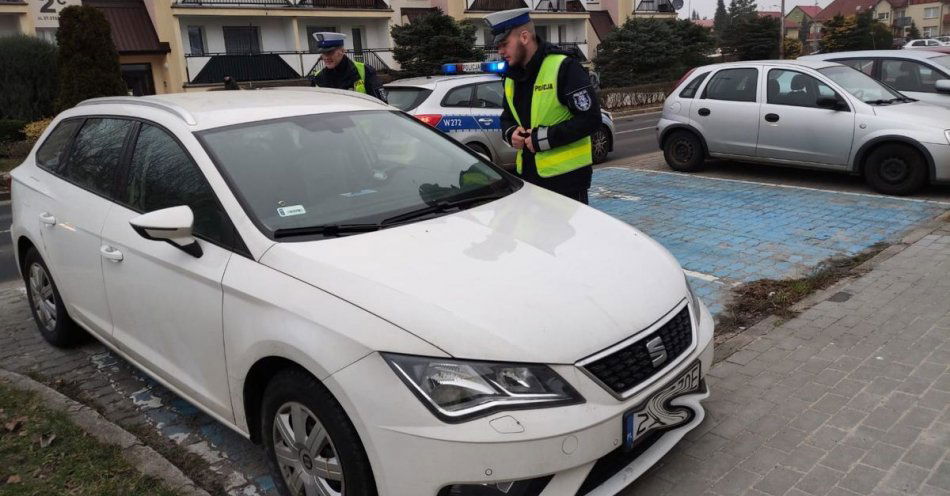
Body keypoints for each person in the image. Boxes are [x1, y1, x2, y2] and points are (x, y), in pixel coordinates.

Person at [488, 8, 601, 204]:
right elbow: (507, 116)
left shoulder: (564, 66)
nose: (500, 51)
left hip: (568, 184)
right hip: (529, 180)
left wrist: (544, 138)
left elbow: (591, 120)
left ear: (524, 37)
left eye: (504, 44)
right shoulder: (511, 76)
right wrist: (511, 132)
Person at [308, 32, 385, 101]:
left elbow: (381, 104)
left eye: (330, 52)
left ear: (342, 51)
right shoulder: (318, 77)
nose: (326, 57)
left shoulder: (365, 70)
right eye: (323, 53)